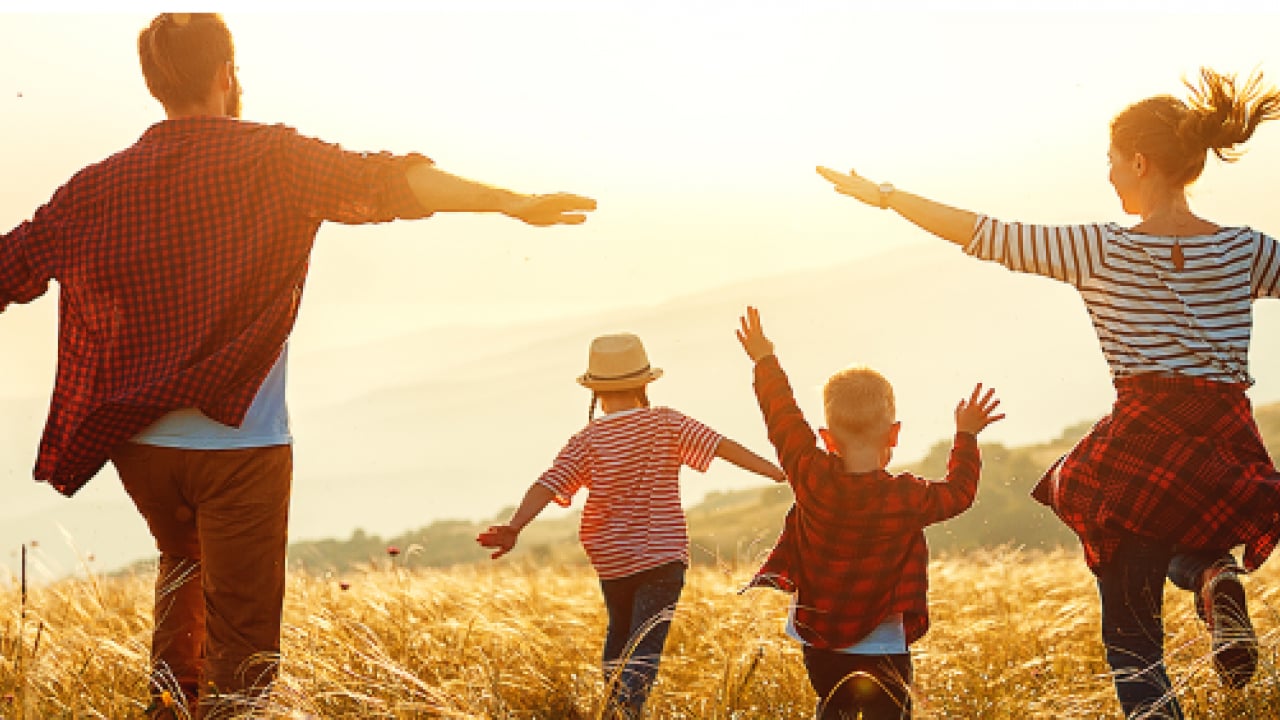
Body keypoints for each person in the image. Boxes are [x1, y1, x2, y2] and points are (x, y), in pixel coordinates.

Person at [0, 12, 595, 720]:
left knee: (181, 567)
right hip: (240, 447)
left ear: (155, 84)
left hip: (139, 446)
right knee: (244, 648)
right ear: (226, 73)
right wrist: (511, 202)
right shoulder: (274, 159)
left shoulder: (96, 186)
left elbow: (13, 266)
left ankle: (168, 710)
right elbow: (392, 181)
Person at [816, 67, 1280, 718]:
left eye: (1114, 162)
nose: (1110, 175)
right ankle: (1213, 577)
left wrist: (889, 196)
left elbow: (985, 234)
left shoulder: (1099, 249)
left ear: (1141, 162)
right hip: (1223, 443)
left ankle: (1208, 581)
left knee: (1133, 646)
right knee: (1192, 541)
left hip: (1145, 442)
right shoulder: (1247, 250)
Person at [476, 331, 784, 719]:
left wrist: (515, 526)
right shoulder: (667, 422)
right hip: (661, 557)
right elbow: (721, 446)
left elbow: (548, 483)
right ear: (643, 383)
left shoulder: (587, 440)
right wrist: (776, 470)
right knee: (644, 648)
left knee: (619, 638)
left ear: (595, 392)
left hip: (612, 560)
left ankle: (614, 710)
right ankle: (624, 713)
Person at [735, 306, 1002, 719]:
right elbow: (960, 493)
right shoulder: (907, 498)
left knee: (832, 705)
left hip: (820, 642)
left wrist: (764, 359)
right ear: (894, 433)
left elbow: (781, 416)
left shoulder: (810, 475)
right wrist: (965, 436)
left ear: (826, 438)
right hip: (885, 646)